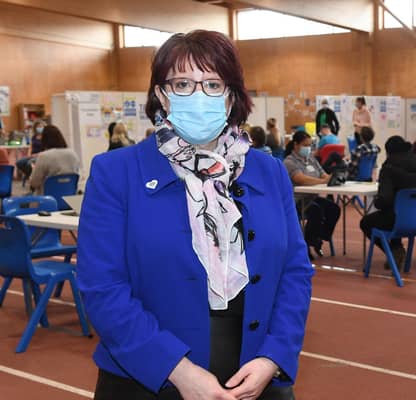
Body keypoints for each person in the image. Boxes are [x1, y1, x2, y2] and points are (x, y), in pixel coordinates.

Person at [77, 30, 312, 400]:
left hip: (257, 378)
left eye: (213, 84)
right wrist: (180, 372)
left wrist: (273, 356)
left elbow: (295, 271)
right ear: (161, 95)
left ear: (231, 95)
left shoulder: (269, 172)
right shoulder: (115, 172)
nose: (198, 95)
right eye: (183, 83)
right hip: (148, 379)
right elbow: (102, 288)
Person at [360, 136, 416, 265]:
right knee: (394, 212)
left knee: (366, 222)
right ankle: (396, 249)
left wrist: (377, 202)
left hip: (398, 221)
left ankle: (394, 250)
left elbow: (385, 199)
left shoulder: (388, 168)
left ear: (389, 152)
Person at [284, 130, 341, 260]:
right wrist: (323, 181)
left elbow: (323, 174)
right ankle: (307, 243)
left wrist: (331, 178)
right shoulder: (289, 162)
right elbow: (301, 179)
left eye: (310, 145)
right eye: (305, 145)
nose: (308, 148)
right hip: (297, 201)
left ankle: (319, 237)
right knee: (316, 211)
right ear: (296, 145)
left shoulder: (311, 159)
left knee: (334, 209)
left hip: (312, 197)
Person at [29, 125, 79, 195]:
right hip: (69, 198)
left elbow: (34, 183)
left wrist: (34, 169)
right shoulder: (73, 154)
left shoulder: (44, 156)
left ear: (44, 140)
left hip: (48, 200)